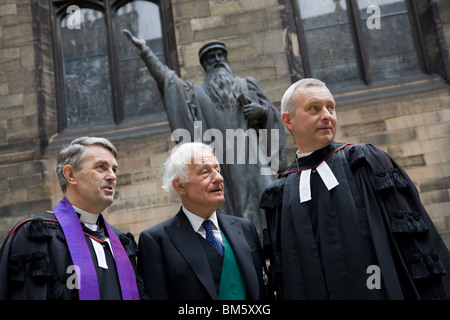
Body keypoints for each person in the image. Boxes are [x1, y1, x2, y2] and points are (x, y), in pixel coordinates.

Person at [260, 78, 450, 300]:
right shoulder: (279, 194)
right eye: (314, 108)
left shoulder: (365, 162)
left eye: (331, 107)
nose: (327, 115)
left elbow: (414, 245)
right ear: (288, 121)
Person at [123, 29, 286, 232]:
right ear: (205, 65)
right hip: (218, 162)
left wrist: (262, 112)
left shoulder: (247, 85)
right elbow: (169, 81)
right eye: (211, 57)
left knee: (266, 206)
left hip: (252, 159)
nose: (217, 60)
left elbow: (275, 117)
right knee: (227, 212)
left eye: (220, 55)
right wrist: (147, 52)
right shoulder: (196, 94)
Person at [0, 136, 142, 300]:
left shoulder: (121, 241)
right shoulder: (37, 235)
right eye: (101, 167)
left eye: (114, 169)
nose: (112, 176)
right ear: (70, 174)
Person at [138, 142, 267, 300]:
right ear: (180, 186)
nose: (219, 178)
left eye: (217, 170)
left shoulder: (245, 228)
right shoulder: (156, 241)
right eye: (205, 172)